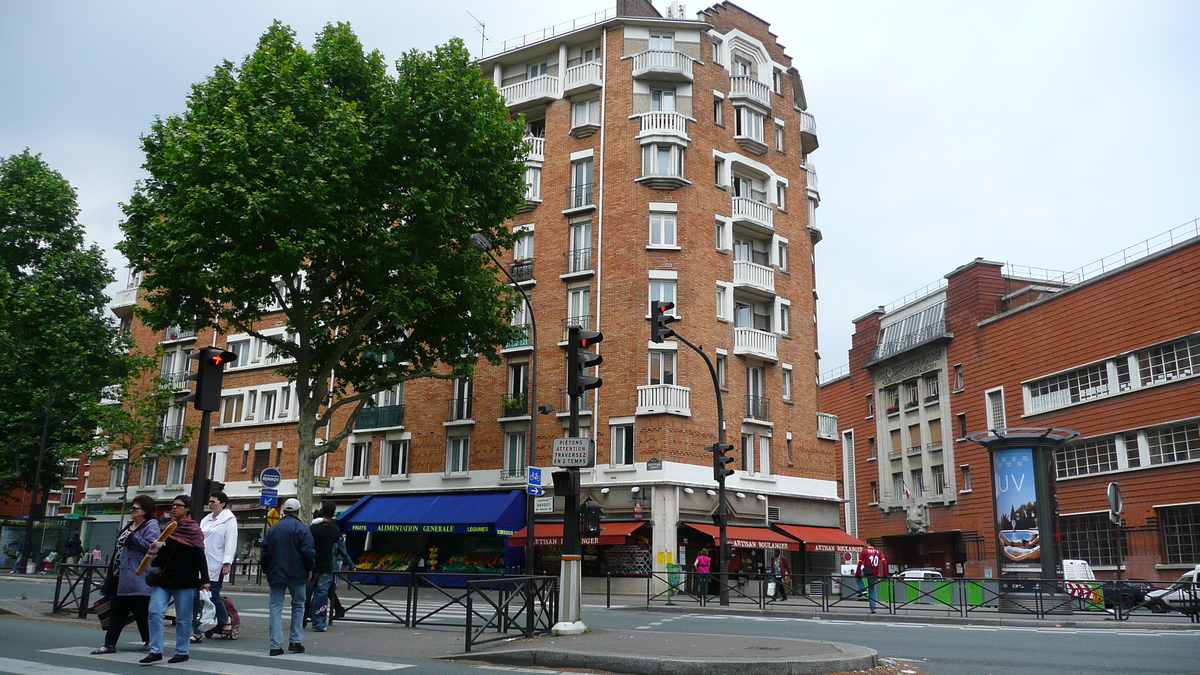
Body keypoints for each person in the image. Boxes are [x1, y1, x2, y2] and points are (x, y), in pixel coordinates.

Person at [142, 495, 210, 665]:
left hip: (185, 578)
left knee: (183, 618)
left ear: (187, 508)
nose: (174, 508)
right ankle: (156, 650)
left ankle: (182, 651)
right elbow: (163, 554)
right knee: (155, 611)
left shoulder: (194, 530)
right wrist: (157, 548)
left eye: (178, 505)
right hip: (164, 578)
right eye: (173, 505)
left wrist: (205, 580)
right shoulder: (169, 527)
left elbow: (200, 556)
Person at [91, 495, 160, 655]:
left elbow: (152, 548)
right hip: (121, 575)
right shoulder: (131, 524)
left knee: (137, 611)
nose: (131, 510)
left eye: (135, 508)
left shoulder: (151, 526)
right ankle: (111, 644)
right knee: (123, 610)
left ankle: (145, 641)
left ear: (144, 511)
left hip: (138, 575)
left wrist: (132, 538)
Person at [262, 498, 315, 656]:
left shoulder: (273, 529)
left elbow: (264, 552)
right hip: (297, 573)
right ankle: (295, 641)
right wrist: (309, 569)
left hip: (276, 572)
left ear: (284, 511)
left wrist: (267, 570)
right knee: (298, 605)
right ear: (298, 511)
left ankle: (275, 644)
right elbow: (308, 552)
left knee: (275, 607)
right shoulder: (302, 529)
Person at [193, 490, 237, 642]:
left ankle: (225, 620)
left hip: (217, 563)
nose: (210, 504)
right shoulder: (206, 519)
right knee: (198, 596)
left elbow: (231, 541)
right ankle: (198, 628)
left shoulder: (229, 520)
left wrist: (227, 562)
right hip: (201, 562)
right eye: (209, 502)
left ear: (223, 504)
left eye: (213, 502)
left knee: (213, 594)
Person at [307, 501, 339, 632]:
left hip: (312, 566)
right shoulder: (334, 529)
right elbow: (336, 541)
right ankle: (319, 622)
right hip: (326, 567)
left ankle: (302, 620)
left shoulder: (313, 529)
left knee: (306, 594)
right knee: (321, 595)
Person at [855, 544, 887, 614]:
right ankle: (873, 608)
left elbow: (860, 563)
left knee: (857, 578)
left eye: (866, 542)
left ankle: (863, 590)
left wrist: (857, 573)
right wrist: (885, 574)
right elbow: (884, 562)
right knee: (872, 588)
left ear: (868, 544)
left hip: (866, 571)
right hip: (875, 573)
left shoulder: (865, 551)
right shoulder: (878, 551)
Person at [331, 533, 355, 619]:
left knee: (322, 589)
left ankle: (310, 613)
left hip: (330, 567)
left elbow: (344, 553)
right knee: (328, 590)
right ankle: (339, 609)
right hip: (324, 566)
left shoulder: (338, 539)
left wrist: (351, 565)